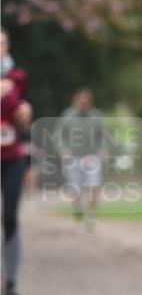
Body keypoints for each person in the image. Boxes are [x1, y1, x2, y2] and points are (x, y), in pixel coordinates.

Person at [1, 27, 32, 295]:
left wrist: (24, 112)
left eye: (1, 43)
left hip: (11, 157)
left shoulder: (17, 76)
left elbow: (18, 114)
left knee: (9, 216)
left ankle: (10, 280)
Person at [58, 88, 106, 229]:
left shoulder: (96, 116)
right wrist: (63, 149)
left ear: (90, 103)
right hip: (73, 157)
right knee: (75, 187)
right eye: (81, 102)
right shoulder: (67, 116)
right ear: (76, 101)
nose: (83, 105)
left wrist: (103, 149)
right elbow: (59, 136)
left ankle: (90, 214)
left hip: (92, 157)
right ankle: (78, 206)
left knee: (93, 184)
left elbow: (104, 136)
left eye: (86, 103)